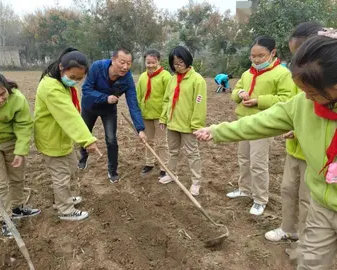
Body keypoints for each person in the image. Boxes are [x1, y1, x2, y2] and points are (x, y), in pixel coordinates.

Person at [194, 29, 337, 270]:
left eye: (313, 92)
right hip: (323, 205)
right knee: (311, 264)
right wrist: (218, 131)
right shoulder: (302, 104)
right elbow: (261, 122)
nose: (307, 98)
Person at [265, 21, 324, 242]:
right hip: (294, 148)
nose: (297, 61)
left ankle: (306, 235)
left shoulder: (326, 83)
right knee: (288, 189)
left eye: (300, 54)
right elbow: (290, 109)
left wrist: (299, 130)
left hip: (316, 154)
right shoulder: (296, 77)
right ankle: (288, 227)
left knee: (308, 196)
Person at [226, 36, 294, 216]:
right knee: (244, 159)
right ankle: (244, 188)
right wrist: (239, 93)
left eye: (261, 56)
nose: (256, 60)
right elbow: (234, 92)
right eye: (253, 56)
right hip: (244, 122)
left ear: (272, 53)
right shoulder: (247, 73)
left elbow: (287, 98)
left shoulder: (282, 73)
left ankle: (260, 199)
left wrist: (260, 101)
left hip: (263, 124)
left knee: (258, 162)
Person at [34, 48, 100, 221]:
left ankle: (64, 199)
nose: (75, 82)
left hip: (63, 136)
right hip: (52, 138)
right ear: (61, 67)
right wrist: (87, 140)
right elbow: (69, 115)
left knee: (71, 168)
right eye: (73, 77)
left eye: (79, 79)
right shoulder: (51, 88)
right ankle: (65, 209)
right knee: (61, 176)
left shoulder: (61, 83)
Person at [0, 69, 40, 237]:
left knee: (17, 177)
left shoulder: (17, 99)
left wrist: (20, 151)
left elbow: (24, 125)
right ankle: (5, 219)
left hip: (12, 142)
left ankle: (18, 207)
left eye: (2, 94)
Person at [78, 48, 146, 183]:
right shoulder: (97, 67)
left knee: (111, 139)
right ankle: (83, 158)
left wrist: (140, 129)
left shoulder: (127, 79)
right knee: (85, 134)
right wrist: (105, 98)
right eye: (122, 62)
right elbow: (86, 90)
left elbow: (133, 104)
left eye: (129, 63)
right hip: (89, 107)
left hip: (108, 110)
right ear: (113, 60)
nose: (125, 67)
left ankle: (112, 170)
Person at [159, 46, 207, 196]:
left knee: (192, 153)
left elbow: (199, 104)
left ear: (187, 61)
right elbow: (167, 100)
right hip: (173, 123)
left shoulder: (197, 80)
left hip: (188, 126)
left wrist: (196, 126)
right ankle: (171, 174)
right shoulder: (173, 79)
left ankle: (196, 182)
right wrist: (163, 117)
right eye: (175, 64)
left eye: (180, 63)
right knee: (172, 151)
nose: (177, 66)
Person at [136, 49, 171, 178]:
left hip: (160, 117)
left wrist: (164, 117)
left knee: (162, 143)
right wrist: (139, 113)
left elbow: (169, 98)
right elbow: (138, 96)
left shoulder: (166, 76)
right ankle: (149, 163)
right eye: (148, 62)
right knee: (148, 141)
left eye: (153, 62)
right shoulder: (142, 77)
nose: (150, 65)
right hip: (146, 116)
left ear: (159, 61)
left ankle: (164, 167)